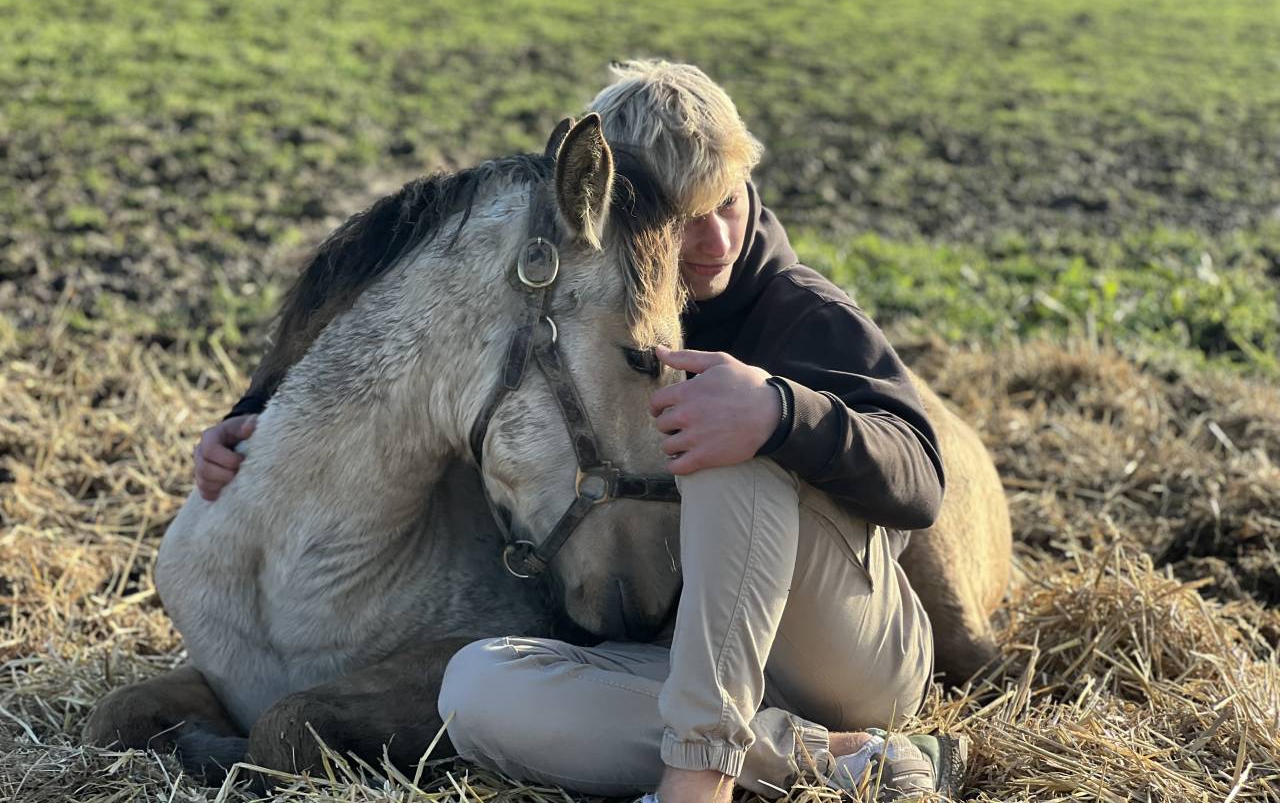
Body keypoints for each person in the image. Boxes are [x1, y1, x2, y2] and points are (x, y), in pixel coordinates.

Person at [194, 61, 967, 801]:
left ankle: (696, 784)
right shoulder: (602, 304)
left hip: (836, 652)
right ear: (626, 213)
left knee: (717, 431)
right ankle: (842, 759)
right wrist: (255, 411)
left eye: (731, 203)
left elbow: (922, 480)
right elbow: (417, 315)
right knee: (476, 689)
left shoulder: (798, 308)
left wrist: (779, 412)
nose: (718, 242)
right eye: (686, 219)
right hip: (687, 666)